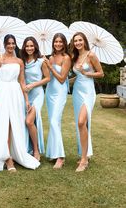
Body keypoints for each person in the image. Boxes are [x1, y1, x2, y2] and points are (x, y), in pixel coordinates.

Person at [0, 34, 40, 173]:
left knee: (14, 124)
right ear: (4, 44)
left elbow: (22, 81)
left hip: (15, 93)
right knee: (4, 123)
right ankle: (7, 159)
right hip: (1, 91)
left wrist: (26, 100)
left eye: (13, 43)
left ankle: (13, 154)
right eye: (8, 43)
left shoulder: (19, 61)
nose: (11, 46)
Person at [70, 32, 104, 172]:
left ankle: (84, 160)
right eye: (75, 40)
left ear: (84, 41)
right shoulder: (74, 57)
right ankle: (85, 154)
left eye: (80, 40)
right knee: (82, 124)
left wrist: (86, 73)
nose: (78, 43)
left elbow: (101, 73)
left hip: (88, 92)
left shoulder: (91, 55)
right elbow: (74, 76)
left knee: (81, 122)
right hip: (77, 91)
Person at [20, 37, 50, 161]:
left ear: (35, 46)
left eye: (31, 46)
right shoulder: (22, 62)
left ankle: (36, 151)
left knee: (29, 121)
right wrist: (26, 98)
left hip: (37, 94)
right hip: (26, 95)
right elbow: (22, 81)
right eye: (27, 46)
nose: (29, 48)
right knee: (25, 122)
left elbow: (47, 78)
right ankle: (28, 148)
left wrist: (33, 85)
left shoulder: (41, 61)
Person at [44, 33, 71, 169]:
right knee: (53, 122)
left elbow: (61, 79)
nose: (58, 44)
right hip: (49, 91)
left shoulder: (66, 58)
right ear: (53, 43)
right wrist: (43, 64)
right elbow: (48, 77)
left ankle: (60, 157)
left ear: (64, 43)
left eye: (60, 42)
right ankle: (53, 153)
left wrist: (50, 67)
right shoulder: (50, 57)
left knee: (55, 121)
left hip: (60, 92)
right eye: (56, 42)